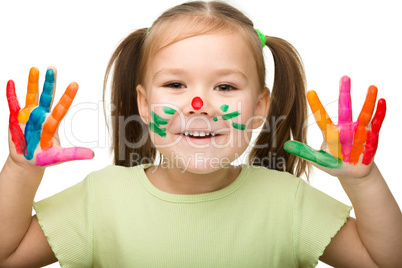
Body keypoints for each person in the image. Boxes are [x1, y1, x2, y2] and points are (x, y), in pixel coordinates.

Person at [0, 1, 401, 267]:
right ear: (143, 103)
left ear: (260, 106)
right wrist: (21, 169)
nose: (199, 104)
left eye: (225, 87)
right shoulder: (100, 199)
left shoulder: (286, 201)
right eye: (175, 85)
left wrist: (361, 180)